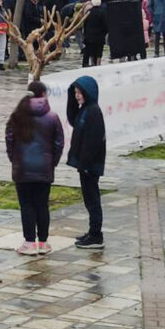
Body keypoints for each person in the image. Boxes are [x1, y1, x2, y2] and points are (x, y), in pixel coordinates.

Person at [5, 81, 64, 256]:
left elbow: (9, 140)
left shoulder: (17, 116)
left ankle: (29, 242)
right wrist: (52, 162)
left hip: (22, 167)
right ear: (44, 94)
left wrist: (14, 159)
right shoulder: (52, 117)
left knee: (27, 205)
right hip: (44, 167)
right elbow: (59, 143)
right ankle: (43, 242)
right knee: (42, 204)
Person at [66, 76, 106, 249]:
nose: (77, 96)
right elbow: (73, 118)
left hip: (90, 165)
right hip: (85, 164)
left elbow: (94, 140)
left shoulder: (93, 112)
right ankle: (92, 231)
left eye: (79, 92)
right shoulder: (84, 110)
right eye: (75, 93)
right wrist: (70, 99)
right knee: (88, 198)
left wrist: (86, 164)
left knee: (92, 199)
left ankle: (96, 234)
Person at [82, 0, 108, 67]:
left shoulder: (89, 12)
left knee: (90, 50)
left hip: (89, 36)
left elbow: (85, 24)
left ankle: (91, 63)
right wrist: (105, 32)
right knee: (99, 50)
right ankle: (98, 63)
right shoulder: (103, 12)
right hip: (100, 36)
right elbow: (105, 24)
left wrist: (85, 34)